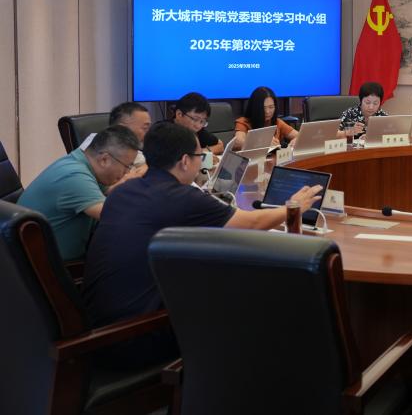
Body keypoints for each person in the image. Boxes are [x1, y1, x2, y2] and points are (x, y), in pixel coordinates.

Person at [83, 121, 322, 367]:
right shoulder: (182, 197)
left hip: (96, 330)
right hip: (138, 337)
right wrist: (294, 207)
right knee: (250, 298)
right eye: (200, 157)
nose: (202, 162)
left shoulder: (122, 192)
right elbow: (251, 224)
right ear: (185, 161)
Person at [17, 126, 141, 261]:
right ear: (104, 160)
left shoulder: (81, 160)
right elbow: (117, 217)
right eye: (127, 166)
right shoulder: (75, 177)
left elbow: (108, 191)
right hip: (52, 266)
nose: (127, 172)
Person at [233, 86, 298, 148]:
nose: (267, 111)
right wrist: (262, 143)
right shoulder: (243, 122)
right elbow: (238, 142)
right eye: (263, 108)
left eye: (271, 107)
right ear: (255, 108)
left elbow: (298, 135)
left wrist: (295, 141)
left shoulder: (277, 122)